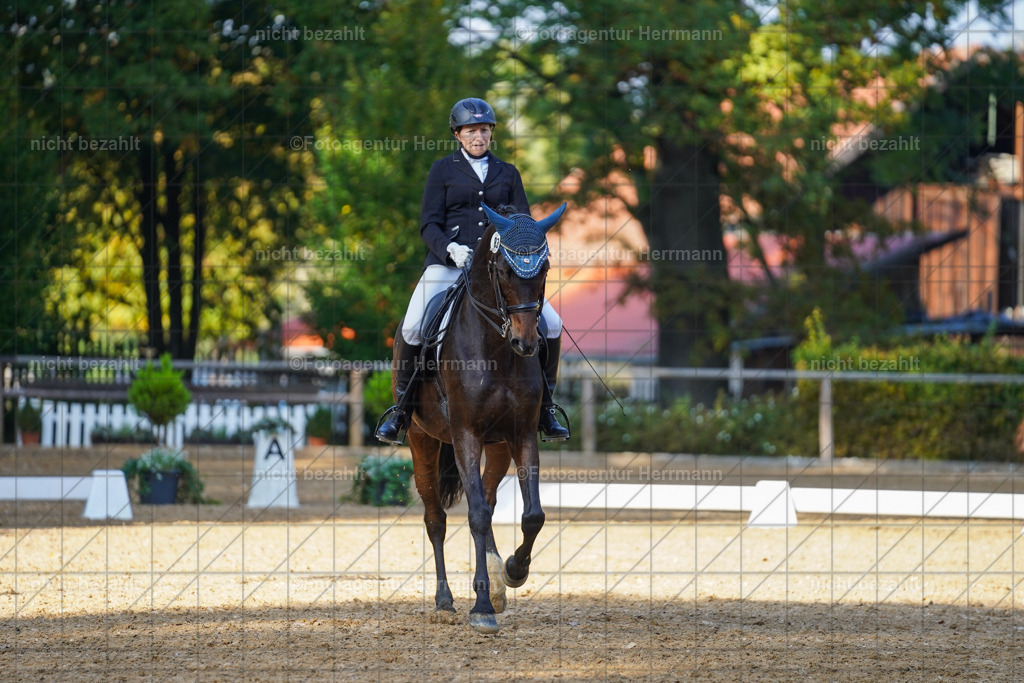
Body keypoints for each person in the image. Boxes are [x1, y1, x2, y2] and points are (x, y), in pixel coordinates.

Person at [375, 97, 569, 445]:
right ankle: (401, 410)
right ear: (457, 134)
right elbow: (428, 224)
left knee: (552, 323)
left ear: (491, 133)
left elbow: (523, 223)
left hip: (497, 272)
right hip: (449, 264)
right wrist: (449, 249)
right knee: (414, 324)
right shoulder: (442, 170)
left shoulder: (508, 172)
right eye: (471, 131)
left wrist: (522, 251)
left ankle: (546, 409)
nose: (478, 137)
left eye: (483, 130)